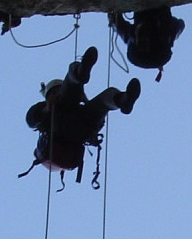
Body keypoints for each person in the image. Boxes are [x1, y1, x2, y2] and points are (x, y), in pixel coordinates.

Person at [20, 46, 141, 183]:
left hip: (80, 128)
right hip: (65, 130)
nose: (57, 94)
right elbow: (31, 120)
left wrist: (84, 100)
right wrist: (47, 108)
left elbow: (89, 107)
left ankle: (123, 100)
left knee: (103, 101)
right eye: (55, 92)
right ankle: (79, 72)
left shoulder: (63, 106)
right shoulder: (48, 109)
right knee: (71, 93)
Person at [109, 8, 185, 81]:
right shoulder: (164, 35)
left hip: (153, 20)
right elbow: (179, 25)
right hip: (156, 19)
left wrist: (113, 18)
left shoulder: (134, 37)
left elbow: (118, 24)